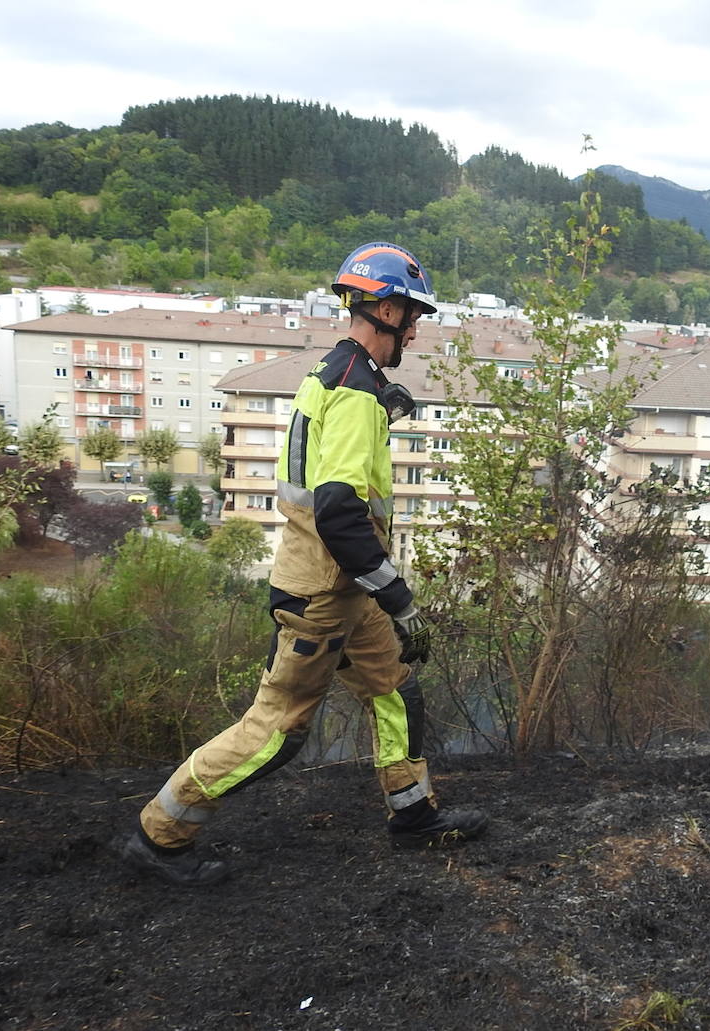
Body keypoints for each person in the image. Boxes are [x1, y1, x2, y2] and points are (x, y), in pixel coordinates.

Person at [119, 242, 487, 886]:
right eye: (414, 315)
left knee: (397, 689)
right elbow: (340, 513)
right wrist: (398, 597)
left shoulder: (344, 376)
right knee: (276, 731)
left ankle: (413, 813)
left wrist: (384, 408)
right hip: (321, 595)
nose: (418, 328)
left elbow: (329, 461)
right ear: (388, 310)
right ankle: (160, 835)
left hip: (343, 592)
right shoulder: (353, 394)